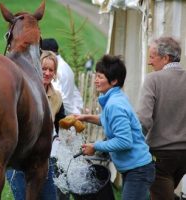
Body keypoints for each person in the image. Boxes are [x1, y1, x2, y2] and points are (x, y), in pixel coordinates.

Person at [74, 54, 155, 200]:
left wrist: (95, 146)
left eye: (100, 76)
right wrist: (86, 118)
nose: (96, 80)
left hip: (138, 169)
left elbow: (124, 141)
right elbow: (108, 120)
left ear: (114, 81)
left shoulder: (114, 105)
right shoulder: (115, 98)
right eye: (96, 76)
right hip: (134, 168)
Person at [6, 50, 65, 200]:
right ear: (37, 69)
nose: (47, 73)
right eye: (43, 68)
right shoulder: (23, 92)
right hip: (19, 159)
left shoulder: (57, 98)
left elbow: (59, 124)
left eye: (51, 70)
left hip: (43, 159)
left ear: (55, 73)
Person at [136, 36, 186, 200]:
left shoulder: (153, 79)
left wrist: (131, 143)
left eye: (152, 57)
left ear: (165, 58)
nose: (150, 62)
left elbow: (143, 120)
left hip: (160, 156)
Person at [41, 38, 83, 115]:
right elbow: (75, 92)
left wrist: (75, 114)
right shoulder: (66, 67)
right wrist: (78, 109)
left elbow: (59, 97)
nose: (47, 72)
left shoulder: (58, 69)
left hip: (61, 118)